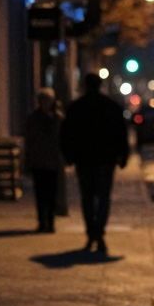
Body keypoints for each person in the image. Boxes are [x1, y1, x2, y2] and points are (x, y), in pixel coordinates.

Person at [60, 72, 130, 254]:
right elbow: (121, 134)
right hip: (105, 160)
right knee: (103, 198)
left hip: (85, 160)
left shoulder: (77, 107)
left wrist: (69, 156)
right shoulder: (111, 107)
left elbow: (66, 134)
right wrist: (123, 156)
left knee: (88, 198)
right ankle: (98, 232)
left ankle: (92, 232)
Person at [23, 87, 63, 233]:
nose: (46, 103)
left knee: (52, 194)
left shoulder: (57, 118)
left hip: (52, 162)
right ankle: (42, 221)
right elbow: (29, 140)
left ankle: (50, 222)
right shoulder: (33, 118)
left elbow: (62, 138)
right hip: (39, 161)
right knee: (40, 194)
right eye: (43, 100)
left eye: (48, 100)